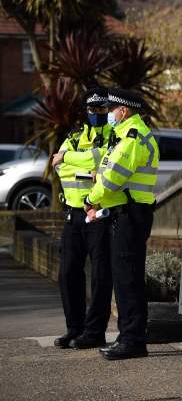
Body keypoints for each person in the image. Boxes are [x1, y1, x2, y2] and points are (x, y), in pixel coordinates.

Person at [84, 89, 159, 360]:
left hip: (130, 215)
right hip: (126, 213)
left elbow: (112, 179)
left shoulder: (131, 139)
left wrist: (89, 200)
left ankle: (132, 340)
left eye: (112, 109)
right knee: (126, 277)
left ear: (124, 111)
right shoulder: (126, 136)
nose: (110, 114)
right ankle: (130, 337)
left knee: (127, 279)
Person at [51, 87, 113, 350]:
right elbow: (57, 165)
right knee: (67, 273)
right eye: (92, 109)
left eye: (101, 109)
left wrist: (70, 159)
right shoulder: (75, 136)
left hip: (99, 214)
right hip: (74, 214)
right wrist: (86, 168)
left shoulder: (114, 136)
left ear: (108, 110)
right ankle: (74, 329)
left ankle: (95, 332)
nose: (96, 114)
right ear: (85, 111)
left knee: (100, 275)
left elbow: (103, 163)